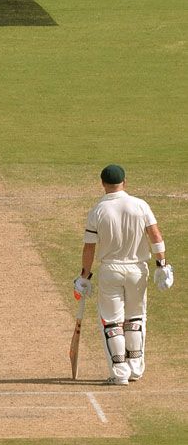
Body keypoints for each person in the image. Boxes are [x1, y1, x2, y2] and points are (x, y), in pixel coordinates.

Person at [73, 164, 174, 385]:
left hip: (110, 270)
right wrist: (162, 265)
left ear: (102, 184)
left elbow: (89, 248)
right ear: (125, 182)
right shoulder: (140, 205)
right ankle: (135, 368)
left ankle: (120, 373)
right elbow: (155, 235)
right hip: (137, 270)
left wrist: (84, 276)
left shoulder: (97, 210)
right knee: (135, 318)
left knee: (112, 322)